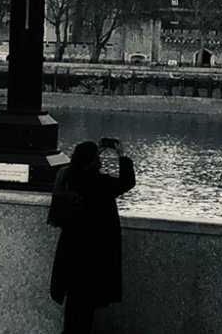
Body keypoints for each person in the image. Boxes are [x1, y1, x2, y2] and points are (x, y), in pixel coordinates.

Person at [49, 139, 137, 334]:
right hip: (94, 253)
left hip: (72, 251)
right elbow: (127, 182)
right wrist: (122, 156)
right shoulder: (101, 183)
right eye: (97, 158)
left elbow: (79, 164)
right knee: (87, 305)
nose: (100, 161)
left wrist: (95, 152)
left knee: (73, 301)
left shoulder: (70, 178)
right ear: (93, 161)